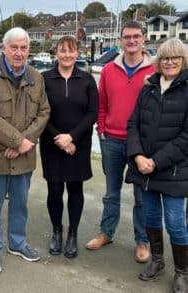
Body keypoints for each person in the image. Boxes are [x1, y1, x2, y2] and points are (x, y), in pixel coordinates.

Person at [0, 27, 50, 275]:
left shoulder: (37, 78)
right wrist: (18, 141)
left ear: (29, 49)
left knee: (20, 203)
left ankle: (17, 243)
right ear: (4, 48)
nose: (18, 52)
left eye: (23, 48)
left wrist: (23, 142)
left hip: (24, 155)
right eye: (13, 47)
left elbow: (44, 113)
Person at [85, 21, 155, 263]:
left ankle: (142, 240)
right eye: (127, 36)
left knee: (140, 196)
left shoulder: (154, 71)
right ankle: (107, 232)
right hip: (112, 140)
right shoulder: (107, 70)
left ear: (143, 39)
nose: (132, 41)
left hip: (142, 145)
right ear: (121, 40)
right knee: (111, 193)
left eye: (136, 36)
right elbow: (101, 104)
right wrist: (101, 130)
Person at [126, 38, 188, 293]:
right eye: (165, 57)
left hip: (173, 172)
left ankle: (182, 272)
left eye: (175, 57)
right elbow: (133, 125)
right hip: (145, 171)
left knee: (175, 223)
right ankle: (158, 261)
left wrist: (156, 161)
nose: (170, 62)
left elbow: (186, 137)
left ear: (183, 61)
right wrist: (138, 156)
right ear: (158, 62)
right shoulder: (148, 88)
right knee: (151, 217)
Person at [40, 36, 98, 258]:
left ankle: (73, 234)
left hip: (79, 144)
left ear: (78, 53)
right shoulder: (44, 79)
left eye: (71, 51)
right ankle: (57, 231)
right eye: (63, 51)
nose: (67, 55)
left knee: (75, 189)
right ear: (56, 53)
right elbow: (40, 113)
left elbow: (92, 113)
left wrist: (72, 137)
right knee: (54, 190)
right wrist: (60, 138)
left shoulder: (86, 79)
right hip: (51, 142)